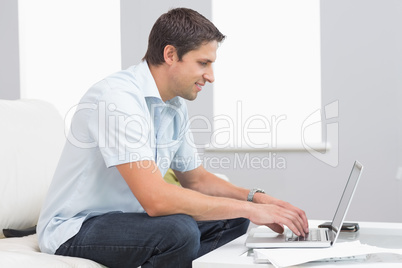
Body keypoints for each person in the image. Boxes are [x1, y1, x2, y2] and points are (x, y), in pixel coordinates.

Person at [37, 7, 309, 268]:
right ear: (170, 54)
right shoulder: (116, 99)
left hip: (129, 220)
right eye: (203, 63)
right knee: (179, 231)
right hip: (76, 227)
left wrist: (253, 199)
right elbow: (155, 200)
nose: (211, 76)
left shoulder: (173, 106)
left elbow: (196, 180)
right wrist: (250, 210)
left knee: (234, 219)